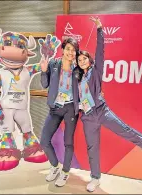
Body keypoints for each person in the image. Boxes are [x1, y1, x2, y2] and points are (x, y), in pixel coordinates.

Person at [74, 16, 142, 192]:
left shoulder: (95, 71)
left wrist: (100, 29)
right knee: (92, 147)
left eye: (84, 59)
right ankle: (95, 178)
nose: (82, 61)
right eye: (79, 60)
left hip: (102, 111)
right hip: (87, 117)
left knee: (129, 132)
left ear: (90, 61)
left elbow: (100, 52)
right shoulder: (79, 77)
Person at [40, 35, 80, 187]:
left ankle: (65, 173)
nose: (71, 52)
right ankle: (55, 166)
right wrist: (44, 71)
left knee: (68, 143)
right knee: (44, 140)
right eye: (68, 49)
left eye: (74, 50)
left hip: (70, 108)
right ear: (63, 50)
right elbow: (44, 84)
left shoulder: (78, 68)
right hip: (55, 107)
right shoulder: (54, 64)